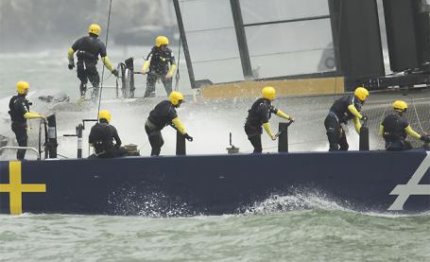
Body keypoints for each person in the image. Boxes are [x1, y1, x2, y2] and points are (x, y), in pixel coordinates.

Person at [67, 23, 118, 100]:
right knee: (96, 84)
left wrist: (71, 63)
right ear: (98, 33)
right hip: (90, 67)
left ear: (89, 31)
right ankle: (94, 102)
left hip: (80, 66)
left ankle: (82, 98)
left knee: (83, 81)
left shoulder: (80, 40)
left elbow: (70, 52)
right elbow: (105, 60)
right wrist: (113, 70)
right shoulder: (100, 44)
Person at [244, 86, 294, 153]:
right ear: (272, 95)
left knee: (258, 149)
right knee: (258, 149)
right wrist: (271, 135)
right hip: (251, 128)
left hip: (254, 128)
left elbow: (276, 111)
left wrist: (288, 117)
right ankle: (252, 162)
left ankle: (255, 160)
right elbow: (265, 123)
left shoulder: (264, 102)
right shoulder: (264, 106)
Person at [145, 91, 193, 156]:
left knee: (160, 143)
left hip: (149, 125)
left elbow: (170, 121)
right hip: (152, 128)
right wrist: (186, 135)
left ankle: (155, 158)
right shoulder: (171, 111)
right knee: (156, 146)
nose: (180, 103)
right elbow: (178, 124)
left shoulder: (164, 103)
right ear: (175, 101)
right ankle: (153, 162)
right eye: (179, 102)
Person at [8, 81, 46, 160]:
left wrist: (38, 114)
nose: (27, 91)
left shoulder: (15, 99)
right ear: (21, 90)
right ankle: (20, 160)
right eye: (26, 90)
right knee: (23, 144)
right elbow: (26, 115)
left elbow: (25, 112)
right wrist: (39, 116)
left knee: (22, 143)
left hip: (16, 125)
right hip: (19, 126)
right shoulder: (21, 101)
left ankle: (19, 159)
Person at [324, 86, 369, 151]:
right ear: (362, 96)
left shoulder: (356, 110)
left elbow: (356, 123)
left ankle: (340, 160)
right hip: (331, 120)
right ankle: (330, 159)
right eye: (366, 97)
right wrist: (361, 117)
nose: (365, 100)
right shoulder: (351, 98)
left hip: (337, 124)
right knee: (334, 146)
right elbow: (350, 107)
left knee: (345, 147)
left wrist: (362, 134)